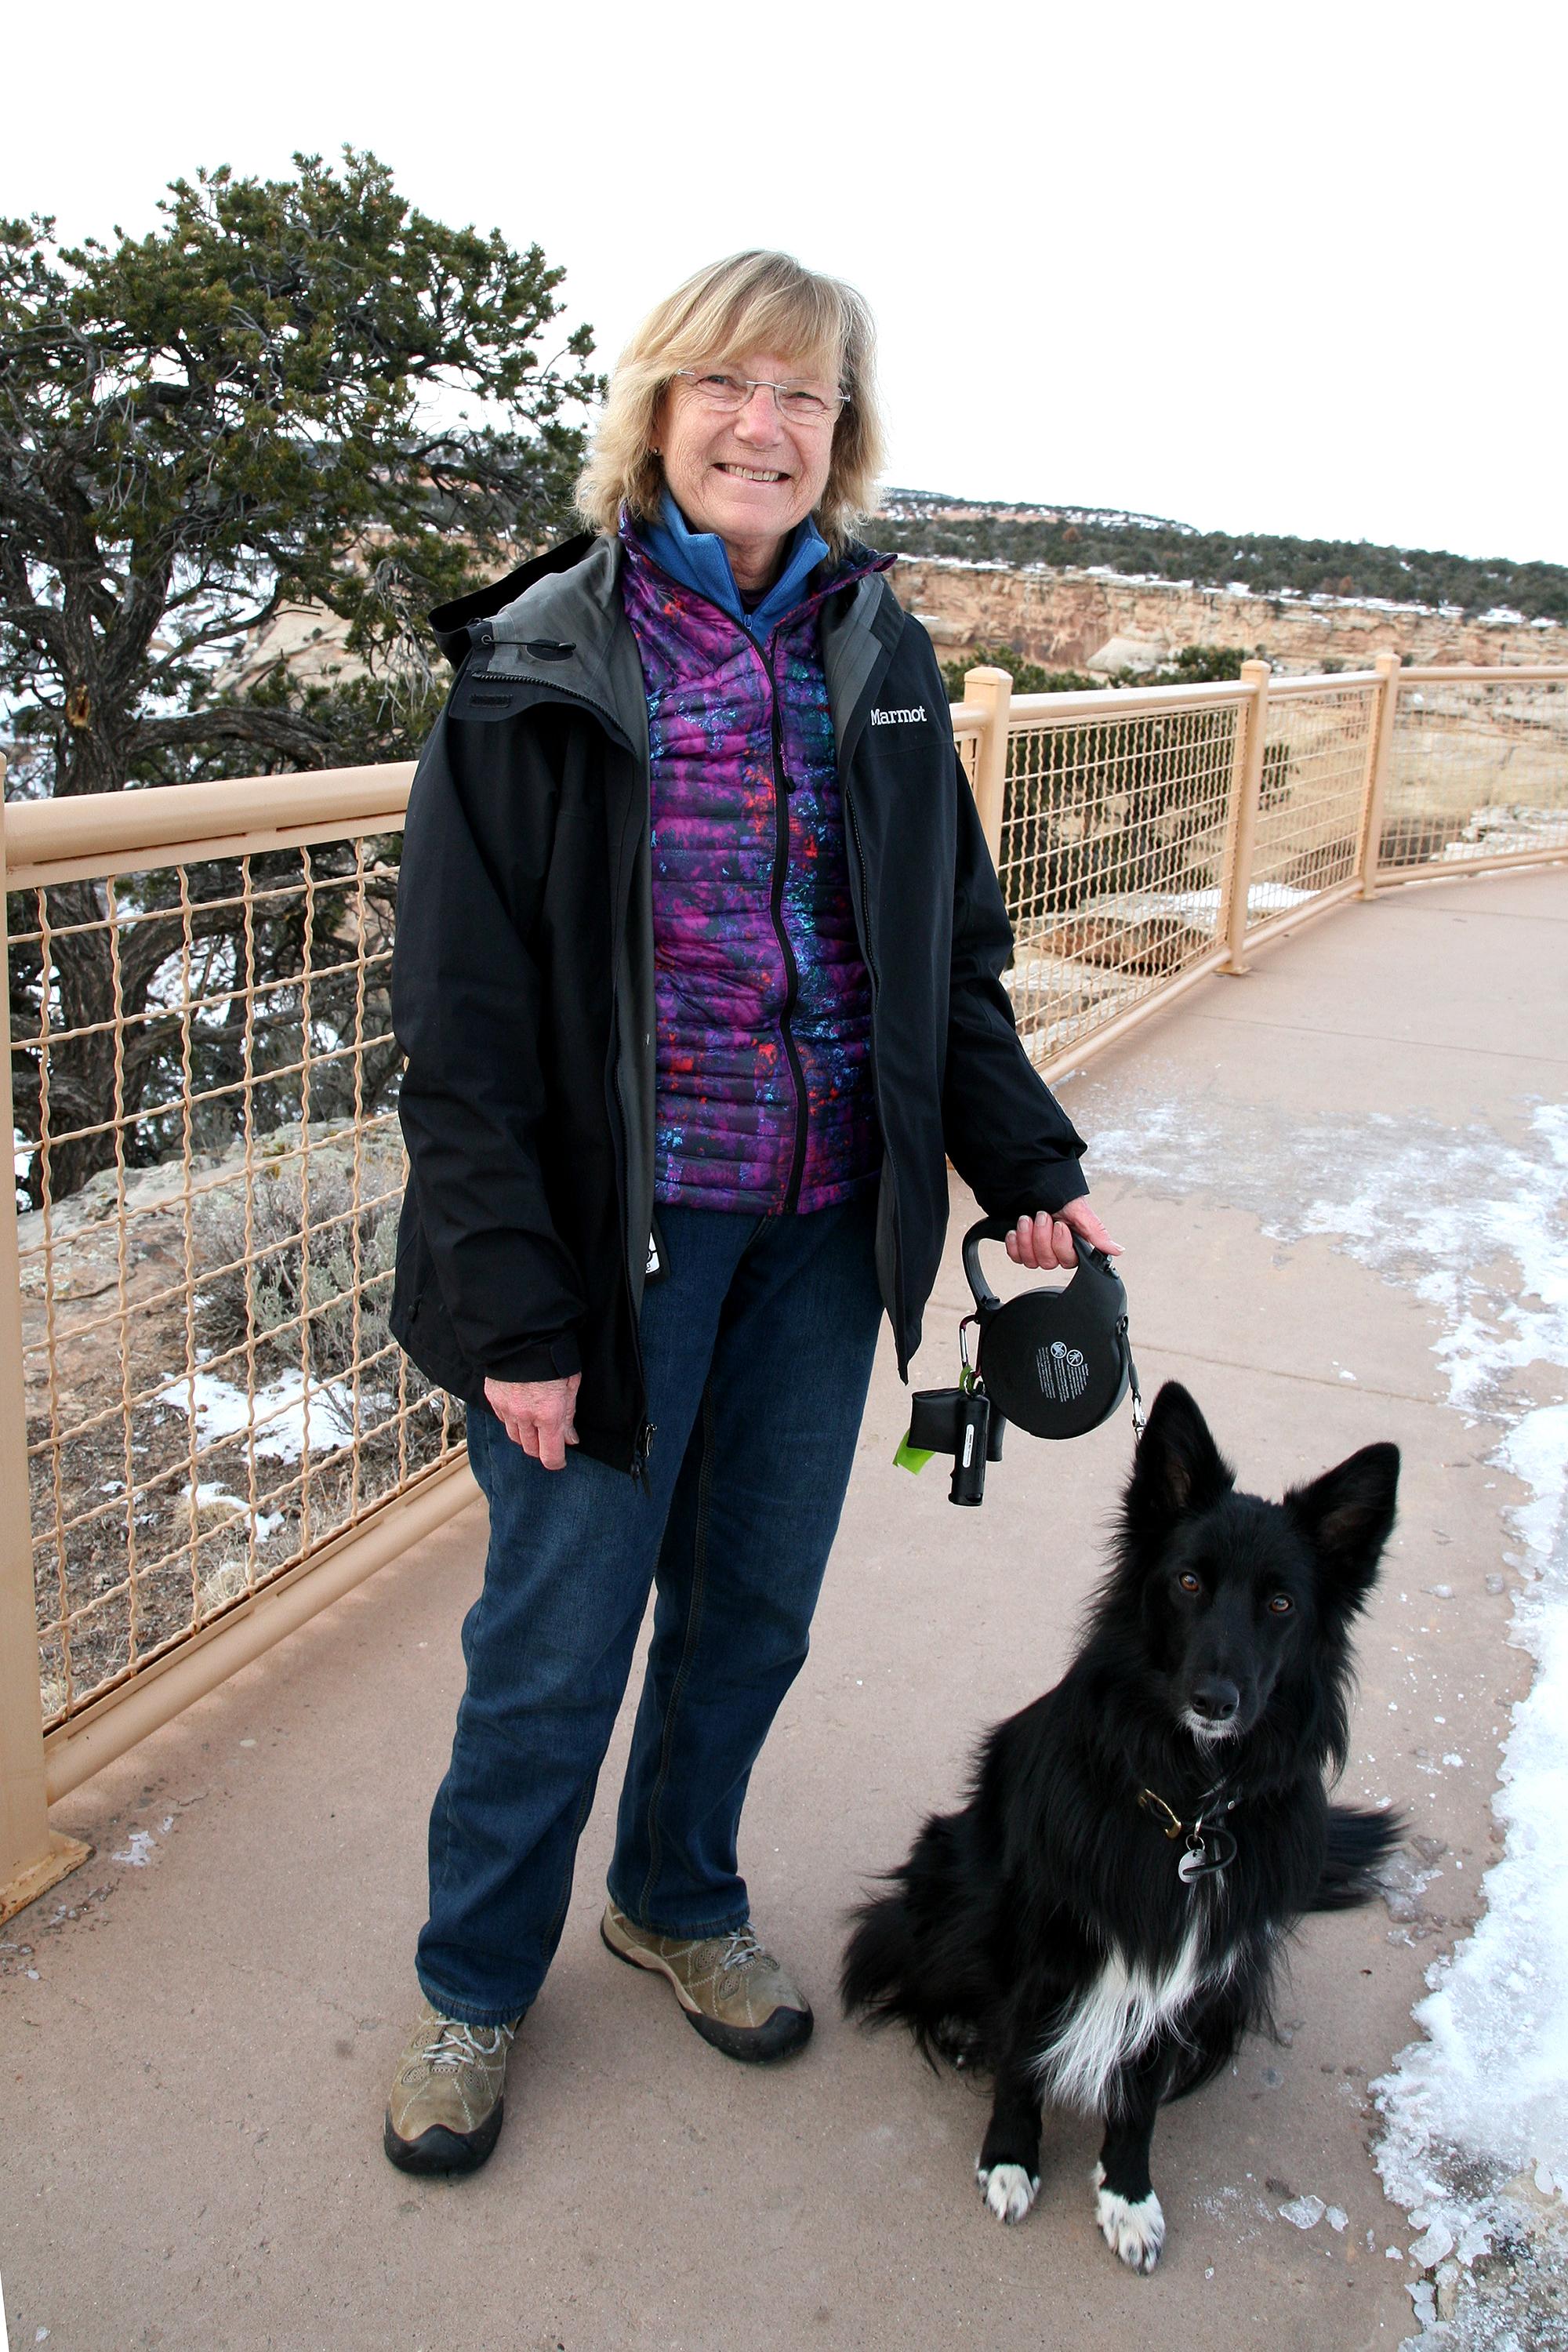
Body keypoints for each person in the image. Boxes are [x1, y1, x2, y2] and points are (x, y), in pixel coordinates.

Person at [382, 250, 1119, 2175]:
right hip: (613, 1260)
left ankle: (676, 1896)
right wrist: (514, 1319)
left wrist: (1027, 1164)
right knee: (555, 1643)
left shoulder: (881, 656)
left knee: (755, 1614)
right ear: (655, 410)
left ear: (840, 435)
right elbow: (458, 1046)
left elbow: (942, 958)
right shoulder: (534, 668)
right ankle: (472, 1989)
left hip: (819, 1233)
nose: (760, 424)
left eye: (803, 394)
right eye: (724, 383)